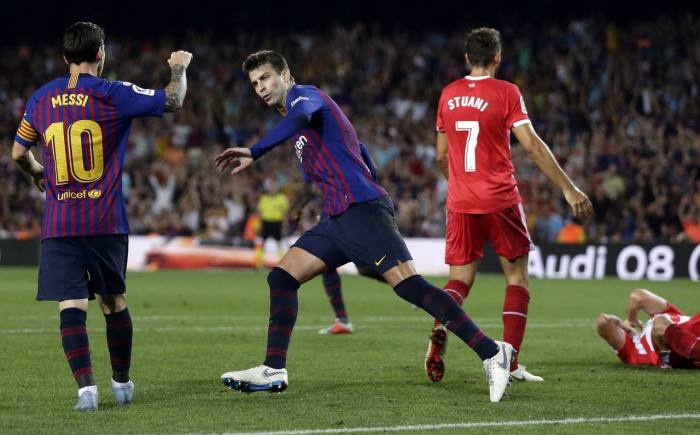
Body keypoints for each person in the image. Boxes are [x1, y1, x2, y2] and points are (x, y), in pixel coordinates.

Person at [215, 50, 514, 402]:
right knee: (282, 277)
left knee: (409, 286)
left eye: (266, 78)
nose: (261, 87)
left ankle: (492, 352)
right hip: (338, 216)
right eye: (255, 84)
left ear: (285, 74)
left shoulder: (304, 96)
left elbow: (305, 115)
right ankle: (273, 369)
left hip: (360, 208)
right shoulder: (298, 123)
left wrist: (256, 150)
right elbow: (360, 148)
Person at [11, 21, 192, 411]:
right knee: (113, 302)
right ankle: (122, 384)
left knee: (71, 305)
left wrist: (38, 173)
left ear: (65, 57)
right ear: (100, 53)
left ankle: (86, 392)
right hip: (104, 221)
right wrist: (179, 67)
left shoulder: (41, 98)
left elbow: (17, 152)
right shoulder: (113, 93)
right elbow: (173, 100)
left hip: (59, 223)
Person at [427, 27, 593, 383]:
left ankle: (441, 323)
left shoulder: (448, 94)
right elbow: (531, 145)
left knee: (459, 280)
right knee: (516, 277)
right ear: (498, 57)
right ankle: (511, 362)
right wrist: (569, 188)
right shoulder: (506, 92)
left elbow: (440, 156)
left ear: (467, 58)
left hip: (460, 200)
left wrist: (461, 185)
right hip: (499, 197)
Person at [597, 288, 700, 369]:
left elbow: (638, 296)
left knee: (659, 322)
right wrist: (627, 328)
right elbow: (604, 321)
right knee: (659, 325)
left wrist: (631, 320)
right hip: (676, 349)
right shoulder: (630, 352)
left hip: (687, 327)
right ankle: (667, 361)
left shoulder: (668, 316)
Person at [256, 179, 290, 266]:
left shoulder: (282, 198)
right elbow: (259, 212)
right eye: (271, 187)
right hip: (266, 222)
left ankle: (282, 263)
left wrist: (285, 225)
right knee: (262, 242)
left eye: (274, 187)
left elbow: (285, 213)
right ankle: (258, 263)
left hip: (277, 222)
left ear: (277, 188)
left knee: (279, 242)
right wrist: (259, 224)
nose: (272, 189)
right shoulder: (264, 198)